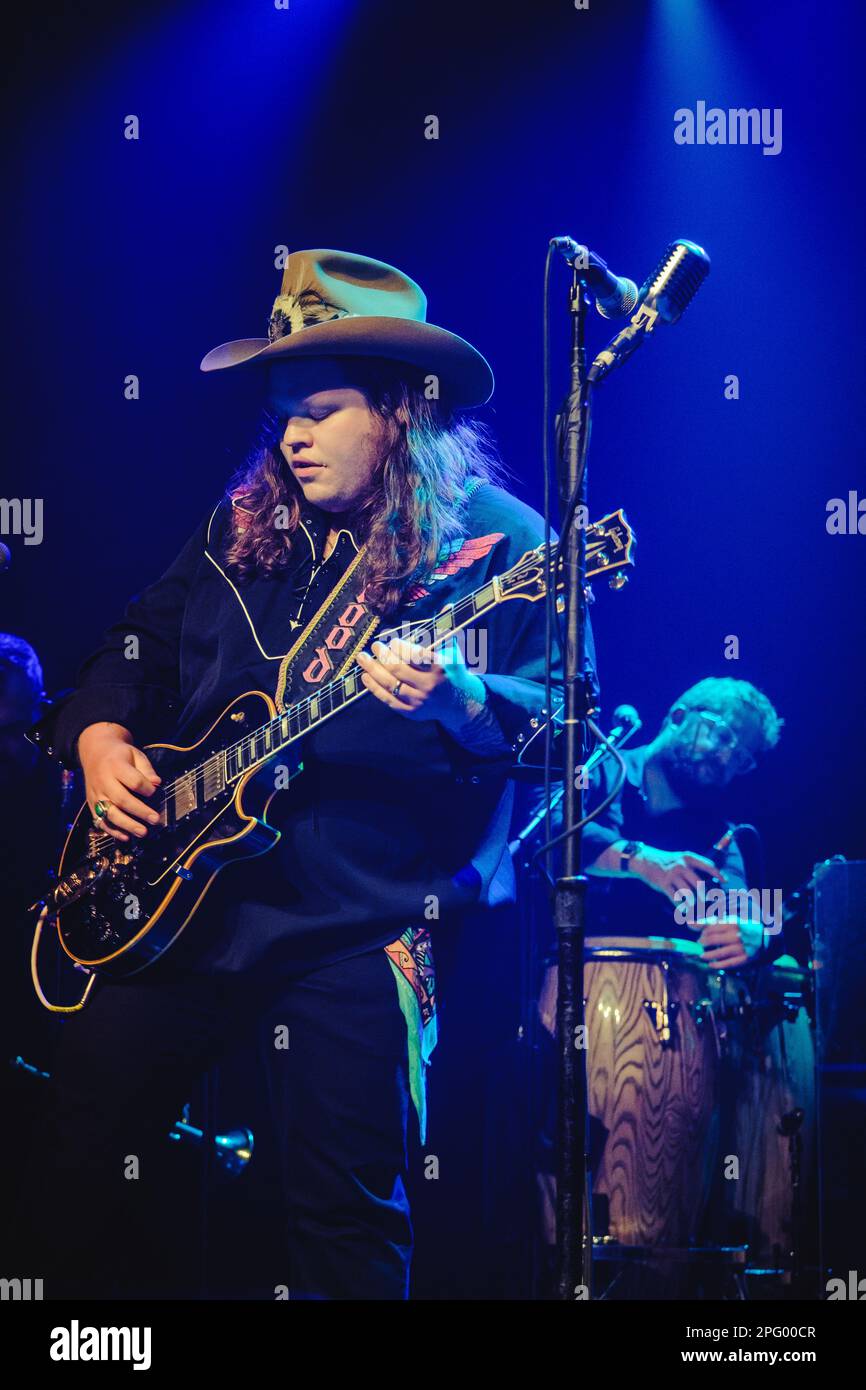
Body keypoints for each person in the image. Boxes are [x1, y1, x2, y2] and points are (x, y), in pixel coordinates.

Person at [20, 248, 571, 1300]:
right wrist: (95, 742)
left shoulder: (497, 548)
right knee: (73, 1154)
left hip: (352, 928)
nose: (290, 436)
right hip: (184, 907)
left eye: (318, 408)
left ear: (402, 408)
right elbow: (130, 647)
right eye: (281, 412)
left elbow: (563, 737)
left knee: (342, 1223)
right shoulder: (241, 527)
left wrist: (458, 700)